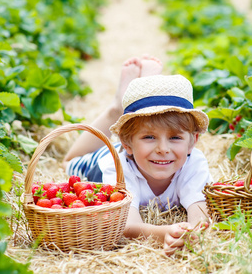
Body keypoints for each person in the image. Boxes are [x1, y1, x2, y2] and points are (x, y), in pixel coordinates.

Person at [63, 55, 211, 256]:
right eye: (150, 136)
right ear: (127, 143)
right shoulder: (115, 167)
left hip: (139, 151)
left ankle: (146, 92)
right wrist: (163, 233)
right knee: (68, 162)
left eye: (175, 137)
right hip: (109, 156)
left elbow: (200, 212)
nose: (163, 149)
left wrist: (191, 234)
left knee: (148, 132)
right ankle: (117, 108)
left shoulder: (195, 163)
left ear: (192, 142)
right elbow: (127, 225)